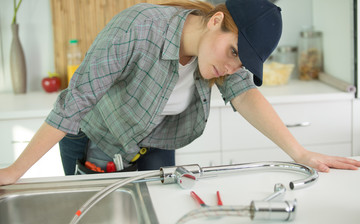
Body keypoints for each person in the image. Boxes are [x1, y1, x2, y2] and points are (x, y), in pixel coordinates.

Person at [1, 0, 359, 185]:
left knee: (156, 219)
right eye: (233, 53)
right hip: (94, 139)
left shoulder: (219, 59)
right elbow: (74, 102)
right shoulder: (138, 27)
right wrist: (15, 172)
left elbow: (245, 94)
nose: (232, 67)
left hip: (153, 143)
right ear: (216, 20)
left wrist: (300, 153)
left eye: (242, 62)